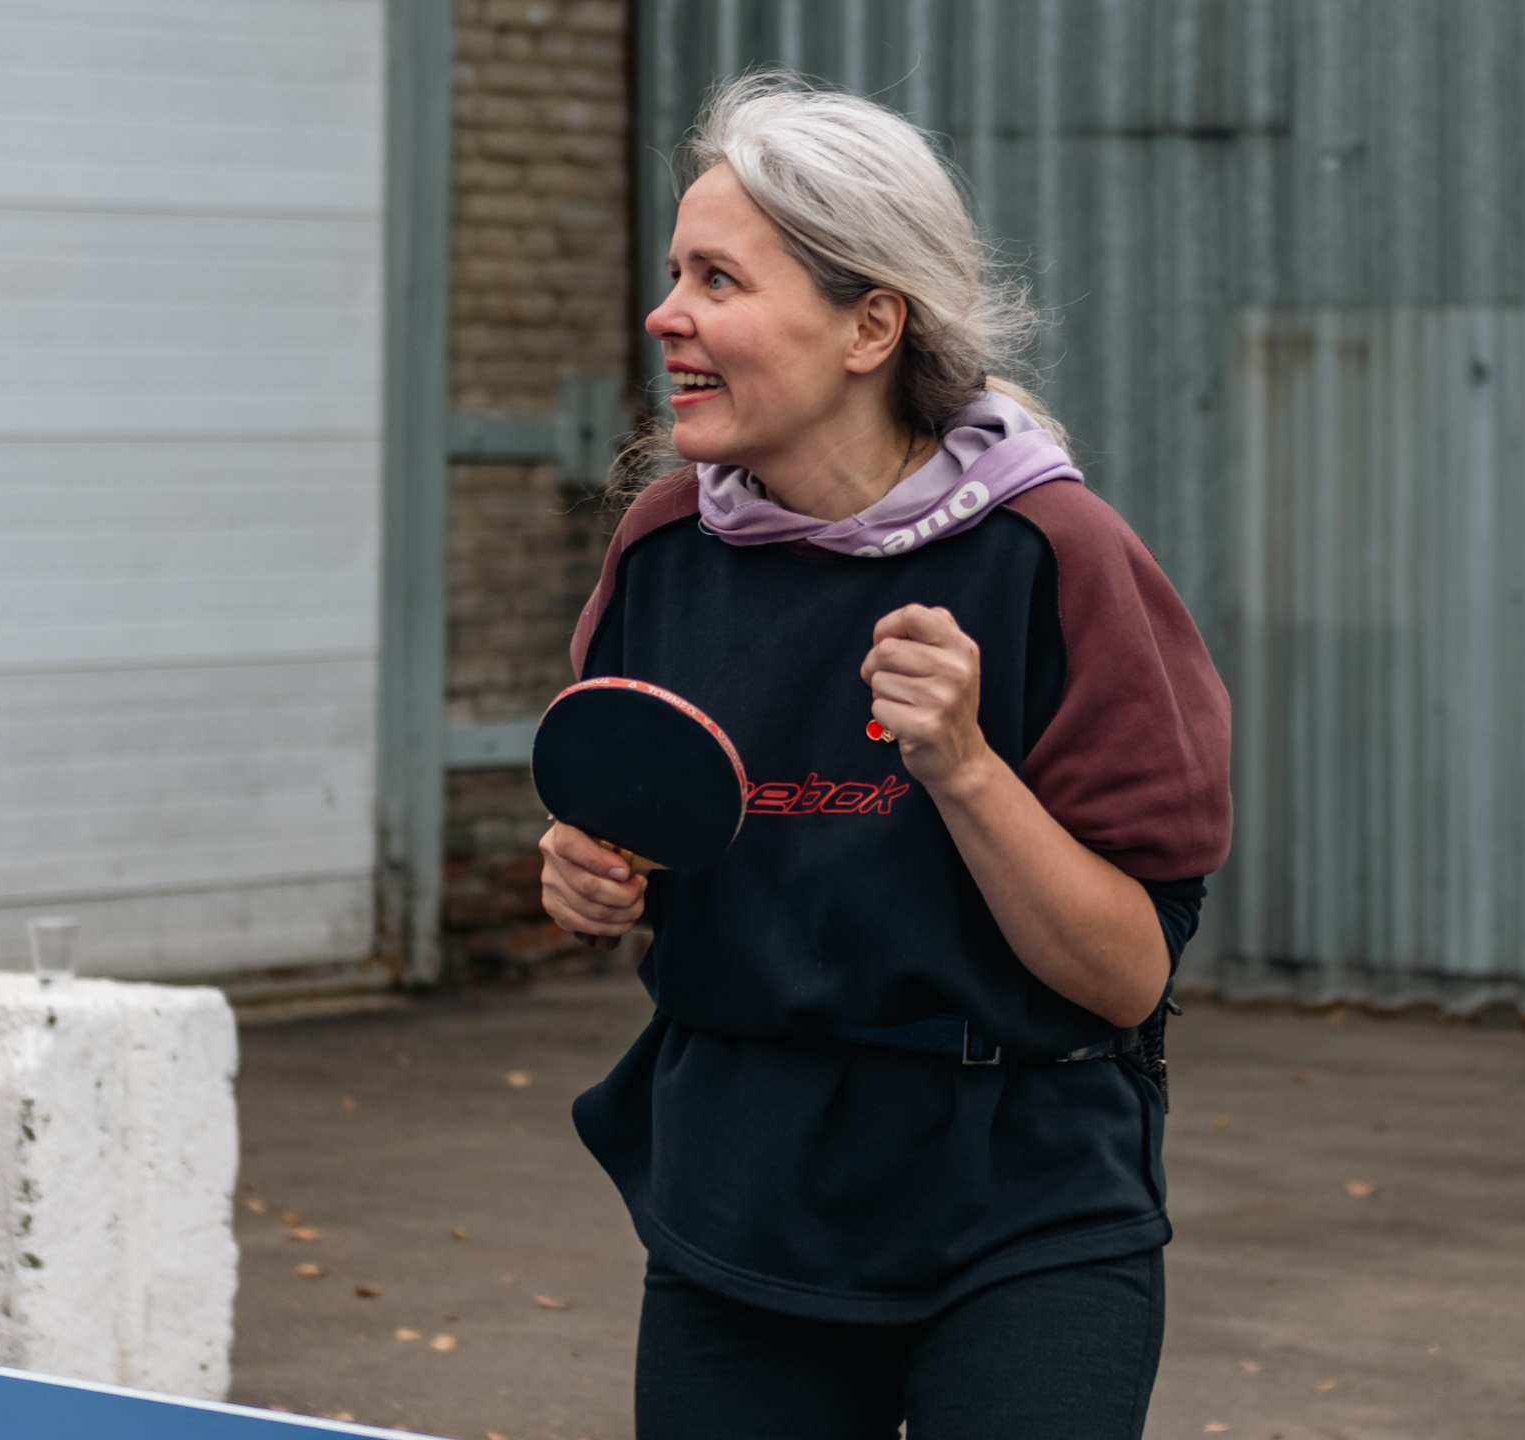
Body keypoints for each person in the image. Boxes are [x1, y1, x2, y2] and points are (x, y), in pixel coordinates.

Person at [540, 74, 1232, 1440]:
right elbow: (658, 866)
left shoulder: (1057, 557)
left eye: (719, 279)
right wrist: (593, 884)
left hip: (1019, 1213)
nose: (665, 313)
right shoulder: (662, 554)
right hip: (740, 1200)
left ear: (871, 324)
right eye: (675, 272)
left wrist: (968, 769)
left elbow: (1124, 972)